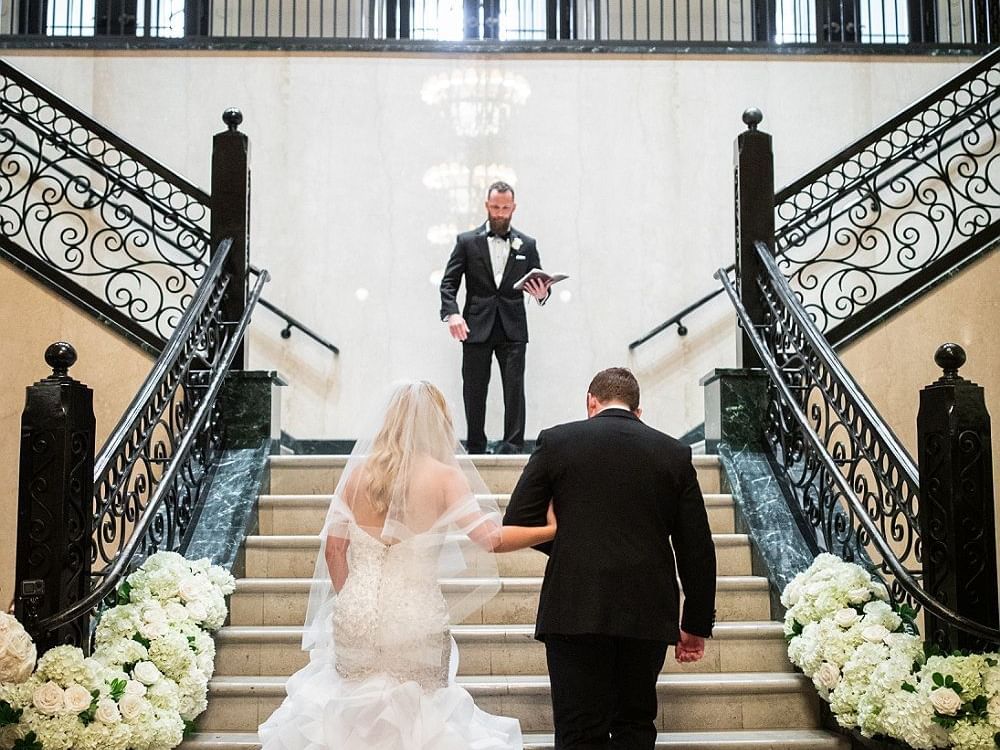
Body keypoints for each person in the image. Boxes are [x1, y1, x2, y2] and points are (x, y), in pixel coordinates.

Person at [258, 380, 556, 750]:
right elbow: (490, 539)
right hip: (415, 616)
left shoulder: (358, 475)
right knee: (419, 715)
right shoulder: (444, 476)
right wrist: (549, 529)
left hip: (356, 613)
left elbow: (334, 551)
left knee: (349, 710)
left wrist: (354, 598)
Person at [502, 367, 717, 749]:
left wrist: (573, 543)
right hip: (647, 609)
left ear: (591, 402)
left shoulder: (557, 442)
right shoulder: (673, 453)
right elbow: (696, 546)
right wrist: (695, 623)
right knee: (635, 722)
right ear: (638, 411)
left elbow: (521, 519)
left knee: (578, 729)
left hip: (574, 604)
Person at [439, 181, 552, 455]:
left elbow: (540, 283)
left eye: (505, 208)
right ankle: (476, 445)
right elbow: (449, 282)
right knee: (474, 389)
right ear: (486, 206)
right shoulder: (467, 242)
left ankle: (512, 446)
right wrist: (452, 313)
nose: (500, 213)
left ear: (514, 207)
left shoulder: (527, 244)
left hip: (513, 326)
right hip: (476, 325)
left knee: (514, 389)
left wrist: (542, 294)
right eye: (495, 207)